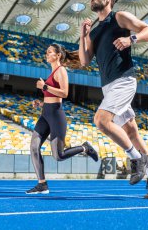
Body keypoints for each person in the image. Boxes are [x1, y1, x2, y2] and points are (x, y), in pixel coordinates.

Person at [78, 0, 148, 199]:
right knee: (132, 132)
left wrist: (131, 39)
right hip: (108, 86)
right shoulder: (95, 30)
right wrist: (83, 36)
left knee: (101, 120)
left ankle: (136, 159)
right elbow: (84, 61)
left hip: (124, 80)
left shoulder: (119, 17)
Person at [26, 43, 98, 194]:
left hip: (56, 117)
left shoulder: (61, 71)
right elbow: (51, 97)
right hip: (45, 114)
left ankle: (85, 147)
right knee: (33, 147)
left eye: (49, 52)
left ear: (58, 55)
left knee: (58, 156)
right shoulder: (51, 73)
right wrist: (40, 103)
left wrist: (44, 87)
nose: (47, 54)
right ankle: (42, 184)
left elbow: (64, 93)